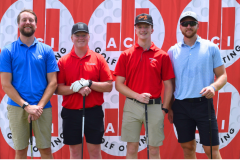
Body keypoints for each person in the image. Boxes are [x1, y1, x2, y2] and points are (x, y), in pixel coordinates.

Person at [114, 13, 175, 159]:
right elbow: (118, 84)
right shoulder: (126, 55)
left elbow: (169, 86)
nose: (143, 30)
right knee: (131, 148)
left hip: (155, 106)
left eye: (146, 26)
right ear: (135, 29)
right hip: (132, 105)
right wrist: (137, 96)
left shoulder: (162, 55)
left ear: (152, 29)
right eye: (140, 26)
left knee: (154, 150)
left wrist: (164, 109)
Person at [167, 11, 227, 159]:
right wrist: (168, 106)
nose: (188, 26)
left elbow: (223, 75)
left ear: (197, 25)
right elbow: (170, 83)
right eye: (185, 23)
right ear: (180, 27)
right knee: (188, 148)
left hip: (203, 104)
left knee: (211, 150)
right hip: (180, 106)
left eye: (192, 23)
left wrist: (213, 87)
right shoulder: (172, 51)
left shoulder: (211, 47)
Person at [0, 9, 59, 159]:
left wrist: (37, 107)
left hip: (42, 108)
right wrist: (26, 106)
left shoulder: (46, 50)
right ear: (18, 24)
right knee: (20, 151)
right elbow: (6, 84)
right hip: (17, 107)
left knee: (45, 150)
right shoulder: (8, 51)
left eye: (31, 20)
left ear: (36, 25)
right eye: (24, 20)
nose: (27, 23)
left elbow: (53, 83)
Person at [55, 22, 113, 159]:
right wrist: (77, 89)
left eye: (84, 35)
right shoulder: (63, 61)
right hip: (71, 113)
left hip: (93, 112)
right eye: (77, 35)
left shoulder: (98, 59)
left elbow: (109, 86)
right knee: (75, 153)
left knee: (95, 152)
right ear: (71, 38)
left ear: (89, 37)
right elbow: (57, 89)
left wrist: (90, 83)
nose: (81, 38)